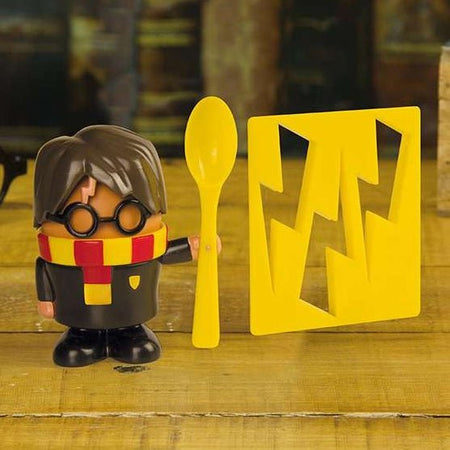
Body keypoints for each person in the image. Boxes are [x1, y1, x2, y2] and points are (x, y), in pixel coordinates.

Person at [34, 125, 200, 367]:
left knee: (134, 340)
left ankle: (130, 333)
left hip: (131, 310)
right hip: (78, 313)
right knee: (79, 340)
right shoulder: (57, 256)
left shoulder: (146, 248)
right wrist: (46, 300)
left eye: (129, 214)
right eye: (81, 217)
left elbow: (164, 253)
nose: (106, 225)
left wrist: (193, 247)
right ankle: (83, 337)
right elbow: (43, 268)